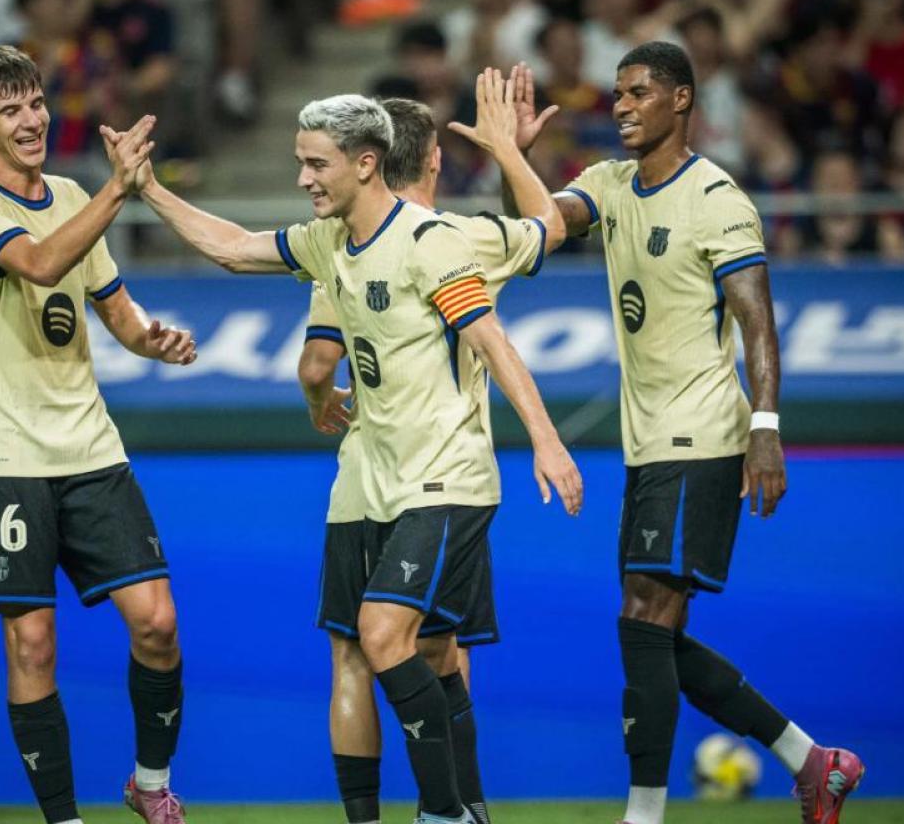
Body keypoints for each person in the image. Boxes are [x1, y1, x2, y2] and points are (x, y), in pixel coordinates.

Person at [128, 92, 583, 824]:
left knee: (375, 638)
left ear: (367, 164)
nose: (304, 178)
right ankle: (457, 810)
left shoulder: (430, 241)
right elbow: (233, 247)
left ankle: (446, 811)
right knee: (416, 650)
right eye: (301, 162)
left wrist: (547, 440)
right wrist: (145, 189)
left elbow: (492, 338)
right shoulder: (327, 242)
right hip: (372, 481)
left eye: (316, 164)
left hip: (445, 478)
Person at [525, 41, 864, 824]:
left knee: (646, 617)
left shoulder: (716, 197)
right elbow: (542, 227)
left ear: (681, 101)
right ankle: (814, 762)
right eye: (617, 93)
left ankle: (644, 816)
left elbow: (758, 324)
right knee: (647, 631)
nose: (621, 106)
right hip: (646, 444)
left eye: (639, 91)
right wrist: (513, 151)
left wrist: (766, 429)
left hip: (703, 434)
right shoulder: (608, 184)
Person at [0, 45, 197, 824]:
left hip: (89, 449)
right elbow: (44, 264)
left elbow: (117, 314)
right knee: (33, 645)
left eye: (36, 102)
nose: (31, 119)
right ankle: (64, 819)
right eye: (10, 109)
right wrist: (120, 191)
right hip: (4, 453)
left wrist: (157, 340)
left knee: (157, 623)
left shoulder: (74, 193)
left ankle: (148, 783)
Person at [299, 80, 569, 824]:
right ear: (436, 161)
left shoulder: (340, 245)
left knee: (360, 649)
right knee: (441, 651)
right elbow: (549, 224)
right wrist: (510, 152)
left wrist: (319, 400)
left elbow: (318, 364)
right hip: (453, 470)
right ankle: (463, 806)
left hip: (368, 474)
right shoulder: (467, 237)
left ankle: (404, 815)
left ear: (370, 162)